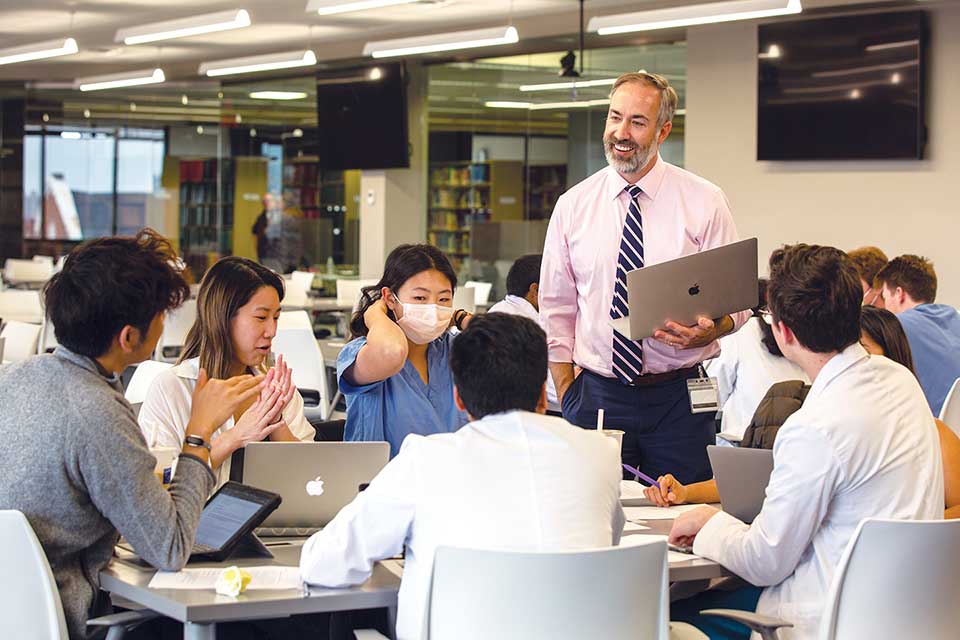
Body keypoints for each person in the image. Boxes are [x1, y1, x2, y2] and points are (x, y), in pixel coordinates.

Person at [667, 244, 943, 640]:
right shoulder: (900, 381)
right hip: (909, 610)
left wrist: (710, 523)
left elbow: (765, 561)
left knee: (662, 613)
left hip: (828, 614)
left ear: (784, 331)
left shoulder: (814, 425)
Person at [0, 230, 265, 639]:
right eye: (162, 313)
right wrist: (199, 431)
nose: (165, 323)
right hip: (72, 622)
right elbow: (170, 548)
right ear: (128, 336)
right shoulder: (98, 413)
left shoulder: (12, 379)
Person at [301, 313, 624, 640]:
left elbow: (325, 565)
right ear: (543, 394)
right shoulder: (601, 453)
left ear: (459, 397)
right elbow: (605, 548)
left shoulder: (425, 458)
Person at [540, 70, 750, 484]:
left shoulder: (704, 201)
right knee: (594, 515)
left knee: (683, 521)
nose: (621, 132)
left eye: (637, 122)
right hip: (598, 391)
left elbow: (737, 301)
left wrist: (714, 331)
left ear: (663, 130)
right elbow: (556, 308)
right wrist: (567, 393)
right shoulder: (573, 205)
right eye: (614, 117)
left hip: (679, 397)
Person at [648, 305, 960, 520]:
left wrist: (912, 529)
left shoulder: (928, 431)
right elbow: (765, 481)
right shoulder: (813, 417)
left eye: (861, 351)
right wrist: (687, 492)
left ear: (891, 358)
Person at [139, 256, 315, 487]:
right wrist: (234, 438)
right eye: (261, 317)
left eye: (276, 318)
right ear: (222, 318)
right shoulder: (173, 388)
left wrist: (277, 421)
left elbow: (311, 478)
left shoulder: (276, 389)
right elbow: (160, 488)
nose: (272, 331)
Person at [337, 244, 472, 457]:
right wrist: (375, 314)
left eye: (444, 299)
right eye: (420, 298)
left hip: (450, 483)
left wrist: (461, 317)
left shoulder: (455, 349)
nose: (433, 308)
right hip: (382, 485)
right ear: (390, 298)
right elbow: (392, 352)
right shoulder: (361, 352)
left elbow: (507, 350)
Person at [706, 278, 808, 444]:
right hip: (792, 440)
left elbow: (713, 395)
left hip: (745, 442)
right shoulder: (797, 331)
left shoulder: (741, 334)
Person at [875, 254, 960, 415]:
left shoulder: (895, 327)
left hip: (936, 432)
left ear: (899, 293)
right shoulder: (955, 316)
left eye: (885, 298)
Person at [487, 253, 559, 410]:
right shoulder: (518, 325)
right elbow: (556, 392)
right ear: (535, 290)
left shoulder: (501, 310)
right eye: (557, 290)